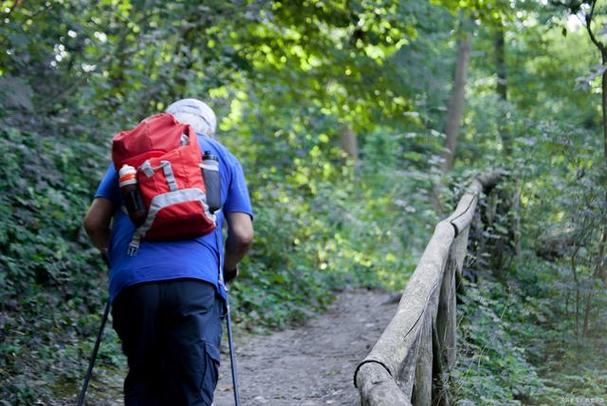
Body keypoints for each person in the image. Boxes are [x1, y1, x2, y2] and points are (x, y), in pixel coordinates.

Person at [83, 98, 254, 405]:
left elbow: (94, 222)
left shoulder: (133, 155)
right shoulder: (222, 156)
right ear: (210, 130)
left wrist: (113, 256)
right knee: (193, 388)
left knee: (143, 378)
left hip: (134, 283)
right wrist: (227, 270)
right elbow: (242, 235)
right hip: (196, 283)